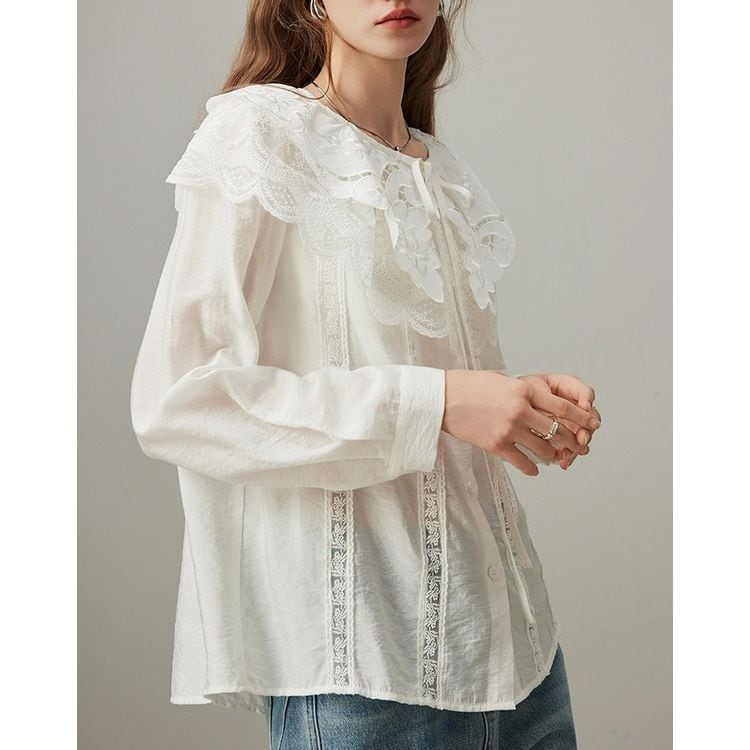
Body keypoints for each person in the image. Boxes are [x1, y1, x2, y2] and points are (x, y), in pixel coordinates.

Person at [130, 1, 602, 747]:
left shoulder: (438, 168)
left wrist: (516, 406)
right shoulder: (260, 133)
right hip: (365, 676)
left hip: (522, 661)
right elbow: (179, 399)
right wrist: (438, 400)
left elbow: (446, 404)